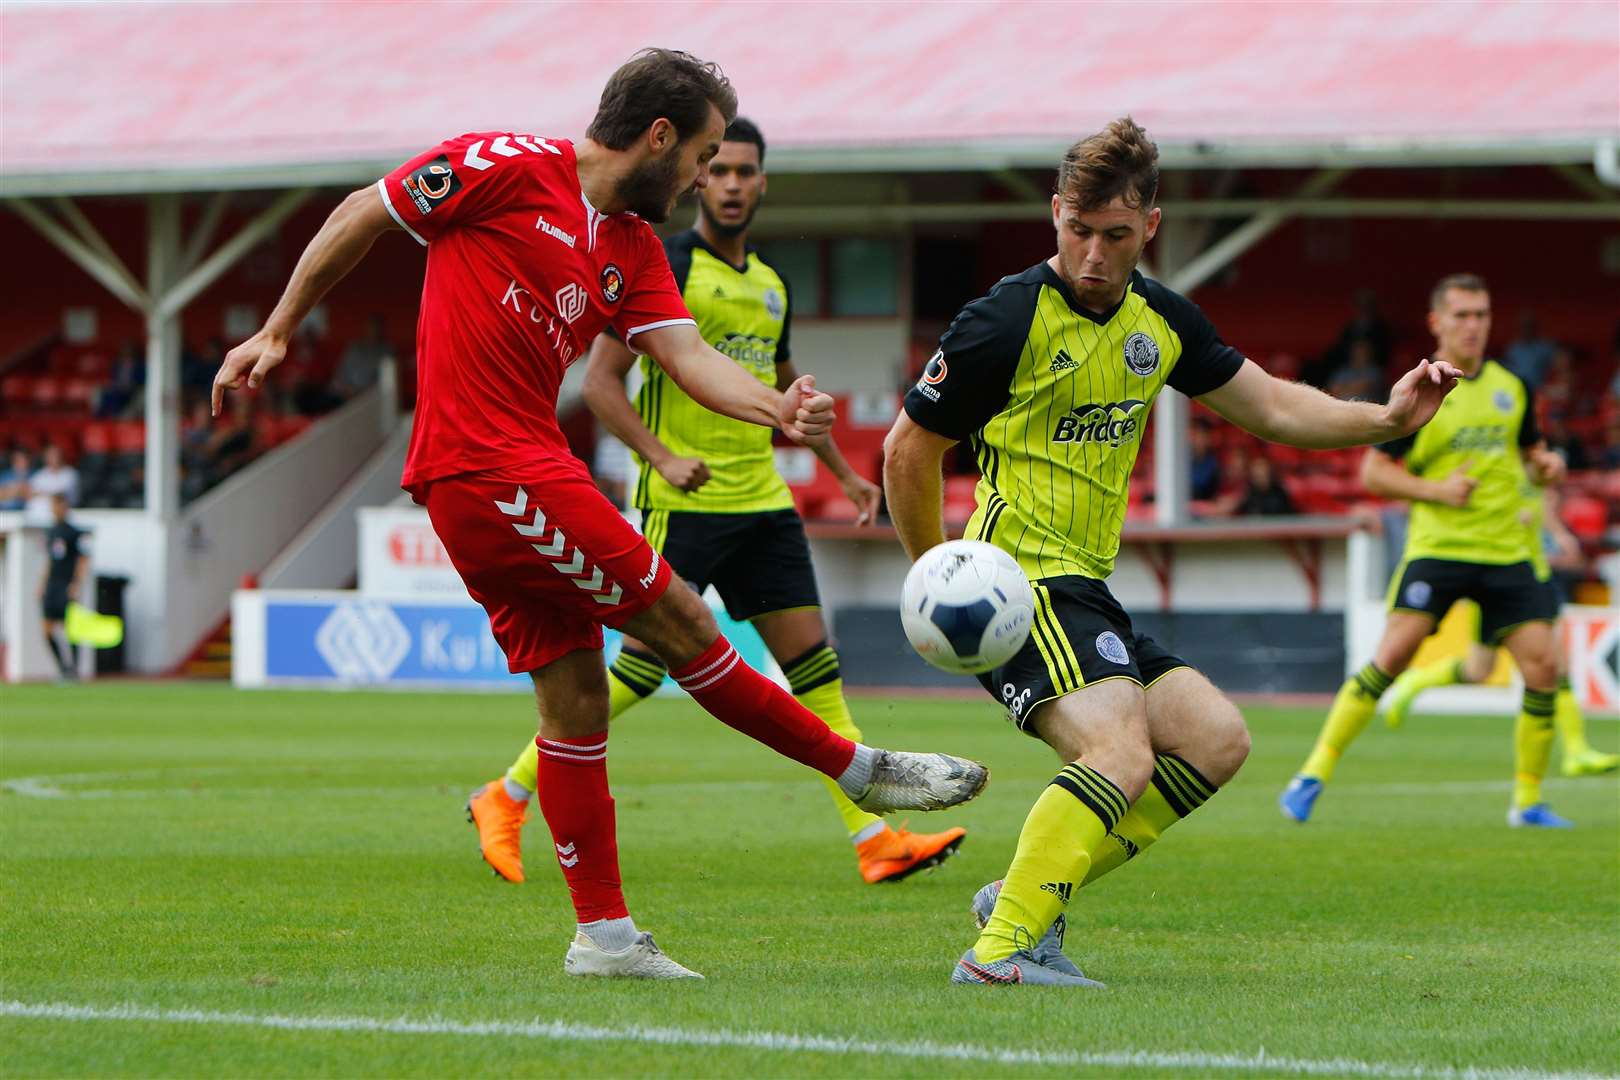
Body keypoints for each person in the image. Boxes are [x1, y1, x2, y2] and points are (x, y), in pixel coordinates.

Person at [212, 48, 987, 982]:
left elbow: (688, 357)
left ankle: (605, 938)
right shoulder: (501, 165)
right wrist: (279, 326)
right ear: (658, 137)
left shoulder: (628, 250)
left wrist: (777, 409)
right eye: (703, 155)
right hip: (488, 465)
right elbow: (362, 212)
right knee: (683, 623)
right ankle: (856, 770)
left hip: (512, 470)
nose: (706, 176)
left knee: (579, 703)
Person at [882, 117, 1459, 986]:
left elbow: (1272, 407)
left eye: (1115, 235)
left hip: (1086, 588)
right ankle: (1000, 956)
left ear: (1150, 226)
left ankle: (1025, 896)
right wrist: (939, 577)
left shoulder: (1162, 320)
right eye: (1077, 231)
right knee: (1117, 755)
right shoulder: (1003, 318)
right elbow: (906, 450)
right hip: (1019, 585)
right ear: (1055, 216)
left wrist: (1384, 418)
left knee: (1216, 741)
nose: (1092, 255)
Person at [466, 117, 966, 889]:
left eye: (746, 172)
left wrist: (845, 471)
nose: (732, 184)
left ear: (765, 182)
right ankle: (506, 795)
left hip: (764, 505)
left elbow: (784, 393)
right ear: (701, 178)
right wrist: (662, 458)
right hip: (684, 505)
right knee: (637, 671)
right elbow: (599, 384)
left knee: (816, 671)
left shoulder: (771, 285)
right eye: (720, 169)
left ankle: (873, 838)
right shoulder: (662, 263)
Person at [1281, 274, 1570, 828]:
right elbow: (1373, 471)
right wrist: (1437, 491)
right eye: (1461, 315)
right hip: (1440, 547)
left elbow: (1532, 454)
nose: (1473, 325)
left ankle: (1528, 801)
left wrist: (1546, 465)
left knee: (1544, 666)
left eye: (1481, 314)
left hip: (1506, 551)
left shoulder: (1514, 388)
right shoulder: (1423, 389)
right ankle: (1312, 773)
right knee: (1392, 658)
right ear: (1437, 323)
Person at [1381, 480, 1618, 779]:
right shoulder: (1501, 484)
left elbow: (1567, 550)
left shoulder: (1538, 491)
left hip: (1536, 586)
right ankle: (1416, 681)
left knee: (1558, 666)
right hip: (1501, 588)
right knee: (1480, 670)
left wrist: (1557, 534)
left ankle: (1576, 750)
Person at [40, 492, 89, 680]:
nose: (54, 510)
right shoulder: (51, 531)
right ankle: (63, 668)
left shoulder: (74, 532)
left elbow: (83, 560)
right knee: (47, 629)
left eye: (56, 505)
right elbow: (49, 561)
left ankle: (74, 670)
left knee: (71, 629)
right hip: (52, 585)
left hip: (66, 585)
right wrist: (42, 584)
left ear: (64, 507)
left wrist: (76, 584)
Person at [330, 313, 394, 399]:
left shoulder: (387, 351)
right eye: (371, 327)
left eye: (377, 328)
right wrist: (346, 389)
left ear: (382, 330)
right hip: (345, 394)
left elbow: (385, 382)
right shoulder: (354, 347)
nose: (374, 331)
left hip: (369, 397)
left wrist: (361, 392)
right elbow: (339, 375)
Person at [24, 443, 80, 525]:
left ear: (61, 456)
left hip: (63, 518)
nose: (53, 458)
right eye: (50, 455)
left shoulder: (71, 474)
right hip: (36, 518)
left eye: (55, 455)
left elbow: (60, 495)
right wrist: (49, 494)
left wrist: (40, 494)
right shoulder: (39, 476)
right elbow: (28, 495)